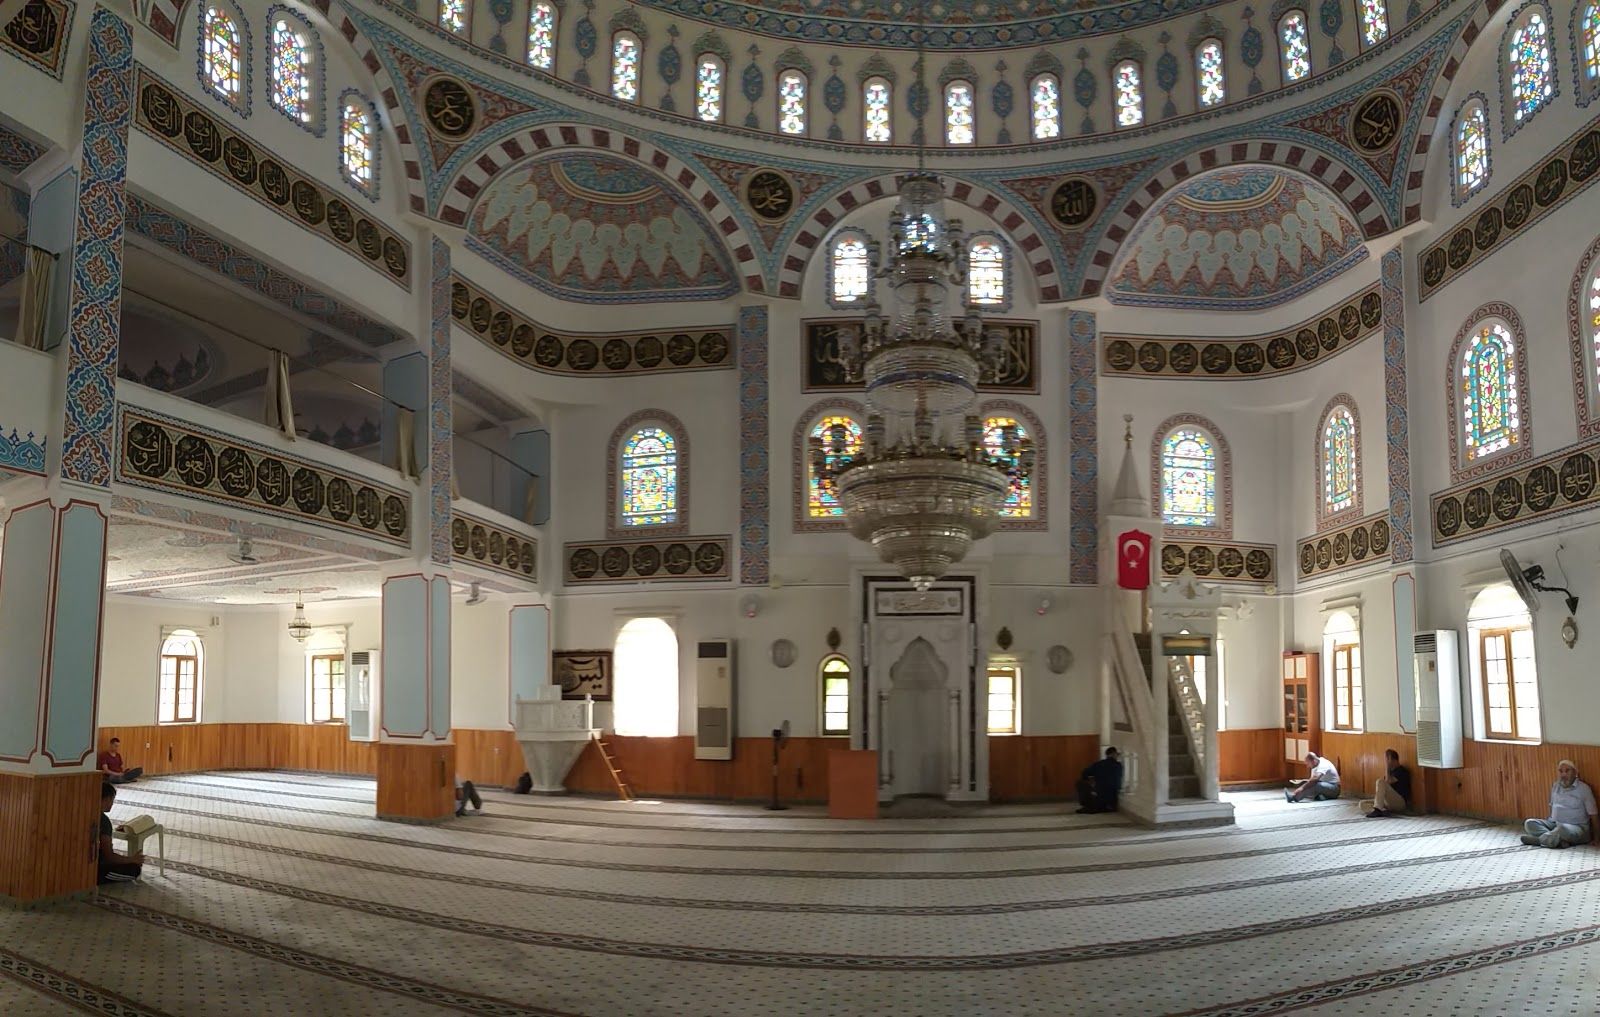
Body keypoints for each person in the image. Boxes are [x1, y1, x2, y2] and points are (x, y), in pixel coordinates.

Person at [1522, 759, 1598, 849]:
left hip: (1577, 828)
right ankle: (1557, 841)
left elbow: (1594, 814)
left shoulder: (1583, 789)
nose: (1563, 775)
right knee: (1530, 823)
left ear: (1575, 772)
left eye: (1567, 771)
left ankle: (1539, 840)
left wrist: (1597, 838)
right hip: (1555, 824)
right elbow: (1552, 806)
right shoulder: (1556, 786)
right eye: (1561, 771)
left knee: (1561, 829)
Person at [98, 783, 143, 884]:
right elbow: (109, 857)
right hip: (94, 869)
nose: (112, 804)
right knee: (134, 869)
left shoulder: (84, 812)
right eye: (112, 800)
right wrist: (132, 859)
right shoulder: (103, 821)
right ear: (107, 799)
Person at [1076, 747, 1122, 814]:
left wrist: (1091, 782)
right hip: (1112, 797)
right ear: (1113, 754)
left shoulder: (1098, 764)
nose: (1117, 756)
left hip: (1099, 794)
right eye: (1117, 754)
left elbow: (1084, 773)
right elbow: (1118, 781)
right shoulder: (1118, 766)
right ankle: (1103, 807)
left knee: (1080, 783)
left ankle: (1090, 806)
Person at [1367, 748, 1412, 818]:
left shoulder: (1402, 771)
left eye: (1387, 759)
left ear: (1394, 760)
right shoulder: (1390, 772)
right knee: (1362, 804)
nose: (1386, 762)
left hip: (1399, 802)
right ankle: (1383, 810)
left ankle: (1378, 810)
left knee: (1380, 781)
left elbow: (1388, 782)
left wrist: (1387, 767)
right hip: (1389, 802)